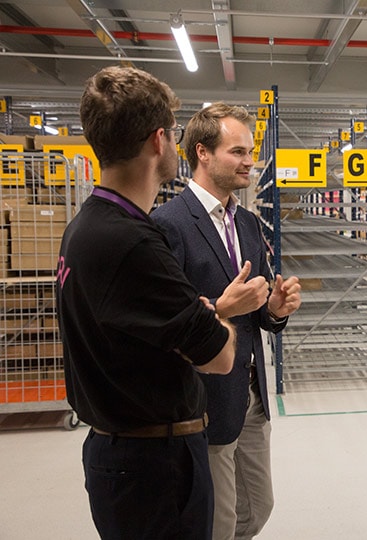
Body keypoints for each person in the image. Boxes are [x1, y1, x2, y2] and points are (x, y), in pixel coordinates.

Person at [56, 66, 237, 539]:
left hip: (122, 455)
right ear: (160, 140)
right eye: (174, 132)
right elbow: (219, 355)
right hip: (155, 468)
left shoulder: (84, 227)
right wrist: (220, 311)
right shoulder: (134, 243)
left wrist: (197, 314)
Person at [152, 102, 302, 540]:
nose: (249, 161)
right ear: (202, 152)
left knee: (256, 508)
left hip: (251, 392)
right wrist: (220, 308)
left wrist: (274, 309)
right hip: (203, 399)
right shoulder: (168, 224)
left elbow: (257, 311)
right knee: (216, 522)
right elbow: (163, 323)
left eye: (249, 152)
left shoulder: (248, 223)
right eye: (237, 151)